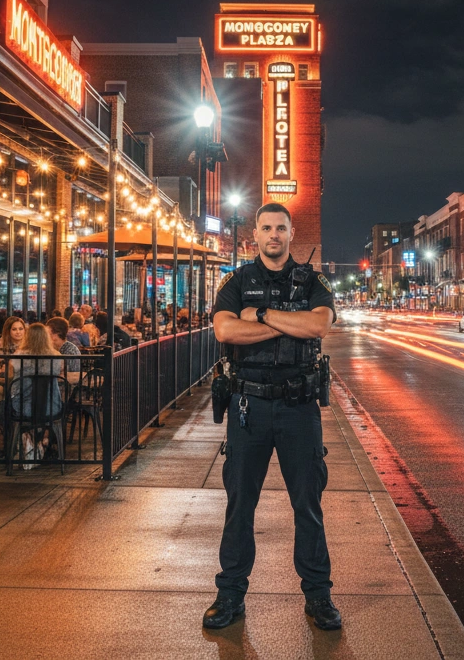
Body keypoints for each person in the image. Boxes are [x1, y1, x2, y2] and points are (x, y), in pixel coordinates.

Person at [202, 202, 340, 632]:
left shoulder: (313, 280)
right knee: (240, 505)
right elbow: (225, 330)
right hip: (249, 408)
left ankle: (318, 596)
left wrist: (259, 316)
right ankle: (230, 595)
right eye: (266, 228)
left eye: (281, 228)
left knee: (308, 506)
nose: (274, 235)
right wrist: (289, 322)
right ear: (255, 236)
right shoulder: (237, 280)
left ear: (290, 233)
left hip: (299, 408)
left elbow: (319, 326)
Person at [8, 323, 64, 467]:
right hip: (51, 407)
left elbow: (10, 379)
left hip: (23, 407)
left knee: (4, 405)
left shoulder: (17, 356)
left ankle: (26, 442)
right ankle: (41, 442)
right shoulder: (56, 357)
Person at [47, 317, 82, 381]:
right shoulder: (54, 348)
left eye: (47, 333)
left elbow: (67, 376)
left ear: (56, 334)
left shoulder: (70, 351)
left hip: (68, 387)